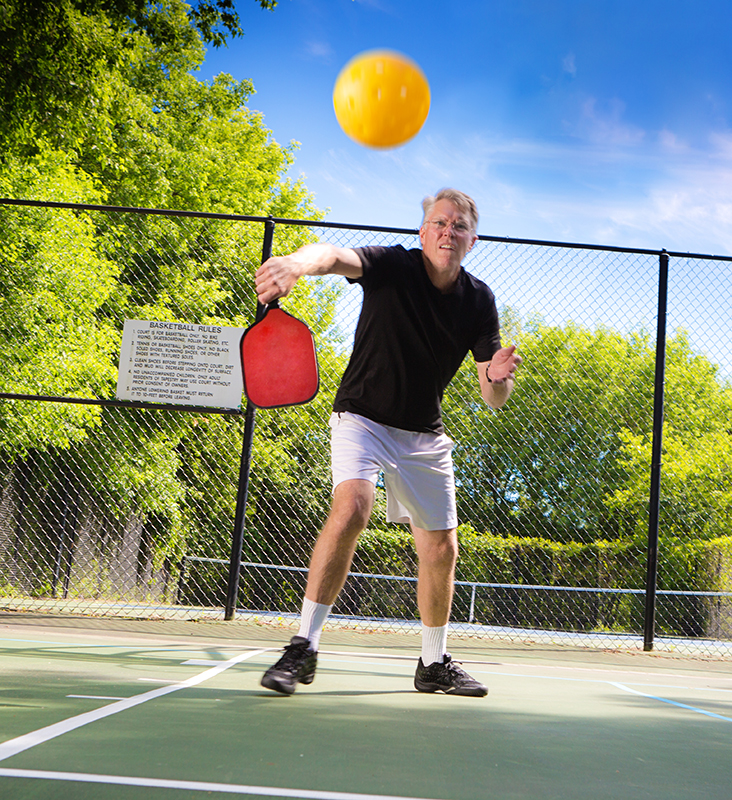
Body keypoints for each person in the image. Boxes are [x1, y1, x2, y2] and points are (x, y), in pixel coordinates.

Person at [255, 188, 521, 697]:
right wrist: (292, 263)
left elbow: (494, 396)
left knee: (441, 547)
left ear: (472, 240)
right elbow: (332, 256)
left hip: (423, 432)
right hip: (363, 416)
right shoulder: (392, 266)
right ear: (423, 233)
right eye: (440, 222)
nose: (448, 231)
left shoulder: (479, 300)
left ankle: (433, 663)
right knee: (353, 505)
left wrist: (499, 376)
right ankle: (303, 647)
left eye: (459, 225)